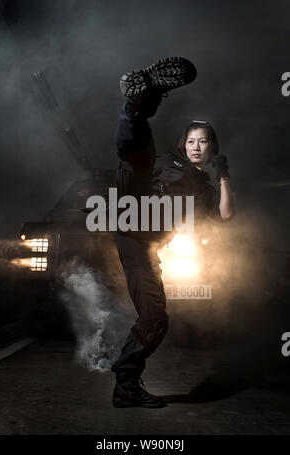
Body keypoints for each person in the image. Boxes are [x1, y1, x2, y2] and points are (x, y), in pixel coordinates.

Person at [111, 56, 234, 408]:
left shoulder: (207, 187)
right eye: (192, 140)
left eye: (205, 142)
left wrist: (223, 174)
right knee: (136, 158)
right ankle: (136, 106)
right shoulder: (170, 161)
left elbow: (225, 216)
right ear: (184, 144)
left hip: (143, 244)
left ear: (212, 149)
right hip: (136, 209)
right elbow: (141, 167)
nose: (197, 146)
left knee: (155, 319)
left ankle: (126, 384)